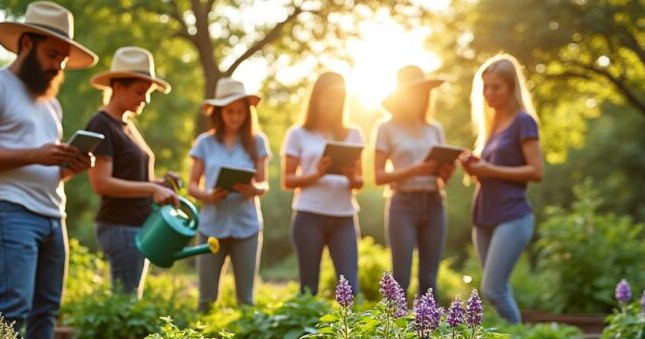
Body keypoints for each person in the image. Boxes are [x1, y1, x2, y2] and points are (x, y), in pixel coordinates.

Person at [0, 1, 96, 339]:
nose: (58, 66)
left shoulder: (52, 104)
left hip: (54, 216)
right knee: (12, 307)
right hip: (11, 210)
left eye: (64, 60)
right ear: (25, 44)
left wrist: (69, 168)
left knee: (46, 310)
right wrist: (38, 154)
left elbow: (47, 168)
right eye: (53, 55)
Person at [85, 46, 175, 297]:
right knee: (126, 304)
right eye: (139, 92)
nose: (145, 99)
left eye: (148, 93)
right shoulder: (102, 124)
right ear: (117, 87)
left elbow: (132, 179)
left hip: (137, 225)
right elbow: (101, 183)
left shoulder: (128, 125)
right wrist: (151, 188)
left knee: (131, 301)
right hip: (119, 226)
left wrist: (160, 184)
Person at [461, 53, 544, 323]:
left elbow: (536, 171)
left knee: (493, 289)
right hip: (484, 216)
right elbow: (489, 176)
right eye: (485, 87)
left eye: (496, 87)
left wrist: (489, 169)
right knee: (498, 289)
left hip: (513, 215)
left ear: (511, 88)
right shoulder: (493, 125)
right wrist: (474, 169)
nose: (489, 93)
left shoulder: (523, 121)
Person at [188, 77, 271, 311]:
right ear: (218, 112)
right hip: (211, 227)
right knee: (206, 301)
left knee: (246, 300)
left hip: (247, 227)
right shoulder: (205, 143)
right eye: (229, 112)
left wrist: (253, 190)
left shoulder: (258, 142)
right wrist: (207, 195)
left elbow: (264, 183)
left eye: (240, 112)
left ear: (248, 113)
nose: (235, 117)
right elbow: (192, 185)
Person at [373, 66, 454, 299]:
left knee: (429, 278)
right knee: (401, 277)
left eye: (421, 93)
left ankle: (427, 333)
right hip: (402, 204)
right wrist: (414, 170)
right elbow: (378, 176)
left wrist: (446, 170)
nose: (417, 99)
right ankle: (395, 332)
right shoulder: (386, 128)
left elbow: (442, 179)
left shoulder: (435, 128)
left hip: (434, 203)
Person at [282, 72, 365, 297]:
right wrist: (316, 174)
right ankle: (309, 331)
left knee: (351, 290)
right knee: (309, 289)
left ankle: (348, 333)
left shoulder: (354, 133)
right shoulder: (298, 134)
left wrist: (349, 174)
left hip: (344, 218)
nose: (332, 103)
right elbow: (287, 180)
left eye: (337, 98)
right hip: (309, 215)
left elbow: (360, 182)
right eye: (327, 97)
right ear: (316, 98)